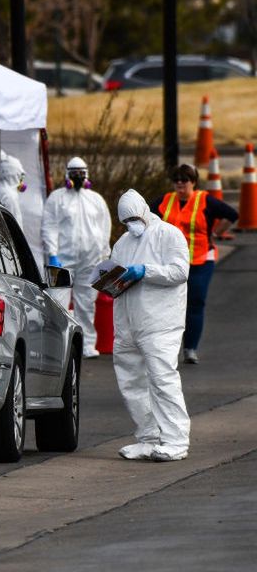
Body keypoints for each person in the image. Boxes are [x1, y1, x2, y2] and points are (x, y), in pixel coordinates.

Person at [110, 189, 190, 462]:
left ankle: (176, 440)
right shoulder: (122, 243)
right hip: (128, 322)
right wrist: (109, 283)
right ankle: (148, 438)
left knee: (162, 379)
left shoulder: (169, 234)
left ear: (145, 211)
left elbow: (180, 271)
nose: (131, 224)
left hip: (160, 321)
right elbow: (117, 277)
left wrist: (146, 270)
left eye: (134, 218)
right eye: (126, 221)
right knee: (132, 382)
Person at [150, 164, 239, 364]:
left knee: (195, 302)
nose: (180, 184)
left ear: (194, 182)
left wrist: (215, 233)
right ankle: (167, 348)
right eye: (176, 180)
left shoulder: (204, 200)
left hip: (200, 260)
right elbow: (145, 217)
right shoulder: (165, 200)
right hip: (170, 262)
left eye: (185, 180)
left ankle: (190, 348)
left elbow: (232, 215)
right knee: (168, 304)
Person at [41, 156, 111, 358]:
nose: (78, 176)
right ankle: (58, 346)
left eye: (81, 172)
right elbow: (49, 227)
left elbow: (105, 228)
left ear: (86, 174)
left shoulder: (96, 199)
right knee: (57, 304)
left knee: (86, 304)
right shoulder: (57, 198)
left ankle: (86, 345)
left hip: (90, 260)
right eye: (74, 173)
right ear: (67, 174)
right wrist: (52, 253)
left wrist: (104, 255)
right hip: (62, 260)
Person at [0, 154, 25, 226]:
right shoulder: (10, 197)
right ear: (14, 175)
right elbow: (15, 226)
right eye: (20, 177)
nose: (21, 181)